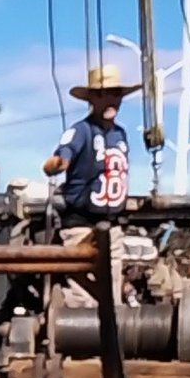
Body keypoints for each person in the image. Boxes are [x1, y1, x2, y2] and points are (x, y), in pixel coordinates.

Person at [42, 63, 140, 306]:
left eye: (115, 94)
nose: (110, 100)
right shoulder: (80, 131)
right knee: (84, 297)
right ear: (92, 99)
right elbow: (62, 155)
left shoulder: (121, 134)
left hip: (112, 228)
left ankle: (109, 339)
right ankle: (77, 339)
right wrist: (58, 163)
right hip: (81, 228)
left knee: (111, 296)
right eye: (102, 94)